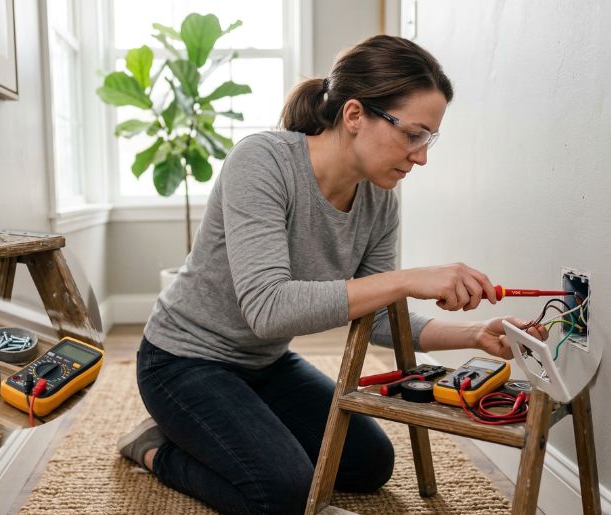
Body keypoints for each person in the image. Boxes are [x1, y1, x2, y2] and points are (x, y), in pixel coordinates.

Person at [117, 35, 547, 515]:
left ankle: (239, 429)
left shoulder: (380, 201)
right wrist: (406, 279)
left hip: (266, 363)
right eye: (413, 134)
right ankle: (156, 450)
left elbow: (378, 319)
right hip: (182, 361)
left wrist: (474, 333)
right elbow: (267, 309)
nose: (421, 156)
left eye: (429, 139)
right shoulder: (261, 162)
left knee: (369, 464)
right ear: (355, 114)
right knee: (286, 494)